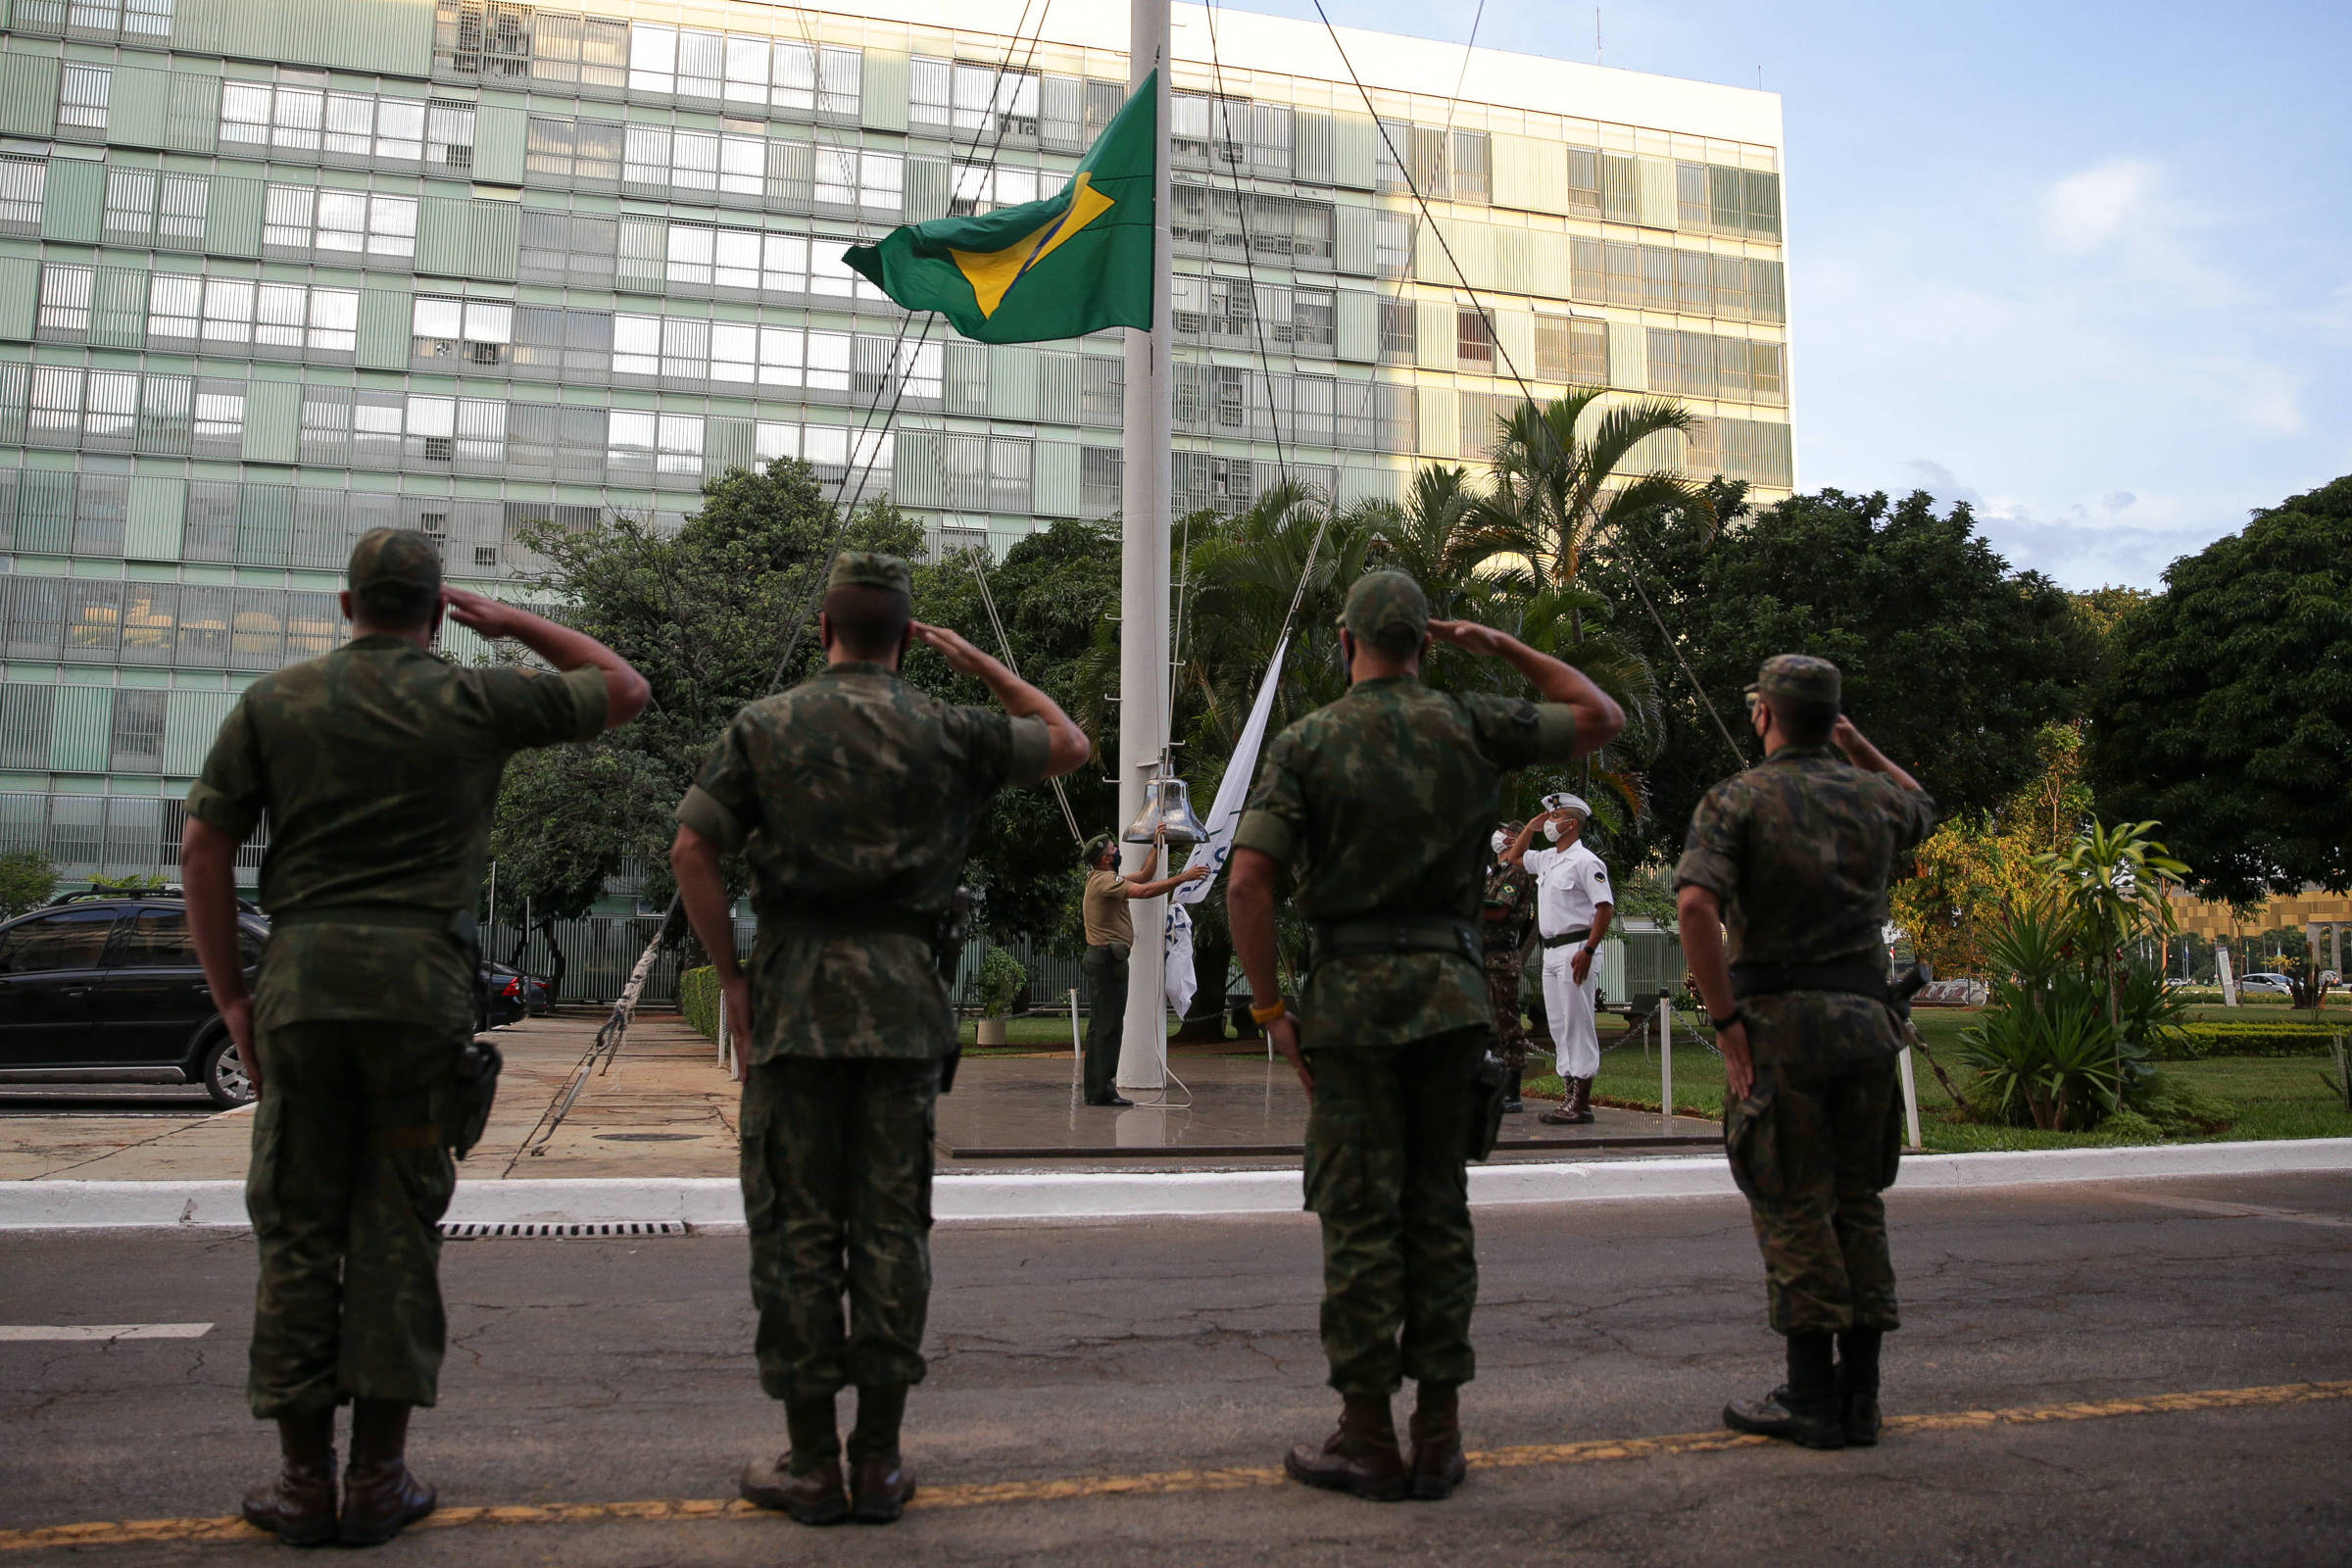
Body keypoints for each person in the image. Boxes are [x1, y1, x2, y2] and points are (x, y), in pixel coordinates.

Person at [179, 528, 650, 1547]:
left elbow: (204, 846)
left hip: (302, 987)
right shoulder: (474, 699)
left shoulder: (275, 702)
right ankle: (378, 1479)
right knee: (395, 1224)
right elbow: (622, 686)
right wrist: (511, 619)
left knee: (302, 1226)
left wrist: (233, 999)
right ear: (438, 612)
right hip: (420, 992)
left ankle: (304, 1484)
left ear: (347, 607)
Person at [669, 553, 1088, 1527]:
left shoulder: (765, 726)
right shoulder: (950, 730)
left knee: (797, 1229)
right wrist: (980, 660)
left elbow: (694, 846)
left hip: (797, 1005)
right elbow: (1066, 741)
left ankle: (813, 1462)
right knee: (891, 1230)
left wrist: (732, 979)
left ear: (824, 631)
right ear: (904, 637)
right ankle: (882, 1459)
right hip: (903, 1006)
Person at [1227, 571, 1623, 1502]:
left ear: (1343, 639)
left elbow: (1249, 884)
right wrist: (1503, 647)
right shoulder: (1473, 722)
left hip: (1353, 1007)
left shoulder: (1308, 742)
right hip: (1452, 998)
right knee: (1438, 1208)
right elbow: (1597, 715)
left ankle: (1365, 1433)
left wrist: (1273, 1011)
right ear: (1428, 645)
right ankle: (1439, 1434)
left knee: (1361, 1213)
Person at [1673, 655, 1935, 1451]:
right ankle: (1862, 1395)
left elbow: (1693, 903)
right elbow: (1923, 804)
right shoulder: (1874, 796)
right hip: (1865, 1025)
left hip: (1781, 1029)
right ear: (1834, 720)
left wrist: (1726, 1024)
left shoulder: (1739, 799)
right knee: (1858, 1204)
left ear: (1764, 715)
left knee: (1793, 1203)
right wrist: (1855, 744)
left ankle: (1810, 1395)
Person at [1502, 794, 1616, 1125]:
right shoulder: (1550, 859)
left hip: (1576, 948)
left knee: (1577, 1023)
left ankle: (1580, 1101)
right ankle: (1570, 1094)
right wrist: (1532, 828)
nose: (1550, 821)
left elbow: (1604, 908)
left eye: (1556, 816)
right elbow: (1514, 857)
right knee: (1559, 1025)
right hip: (1551, 950)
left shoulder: (1586, 862)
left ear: (1572, 824)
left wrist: (1590, 950)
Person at [1078, 831, 1210, 1106]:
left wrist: (1156, 844)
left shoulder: (1102, 878)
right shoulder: (1106, 881)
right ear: (1106, 858)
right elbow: (1146, 891)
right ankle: (1102, 1090)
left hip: (1104, 959)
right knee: (1108, 1027)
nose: (1117, 850)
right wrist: (1183, 878)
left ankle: (1096, 1089)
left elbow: (1145, 875)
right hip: (1107, 961)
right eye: (1114, 848)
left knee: (1101, 1026)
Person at [1478, 822, 1539, 1113]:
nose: (1499, 835)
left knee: (1507, 1026)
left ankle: (1512, 1090)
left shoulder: (1516, 873)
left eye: (1505, 832)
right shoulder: (1496, 872)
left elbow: (1500, 909)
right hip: (1483, 955)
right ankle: (1489, 1083)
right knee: (1487, 1028)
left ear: (1515, 839)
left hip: (1501, 958)